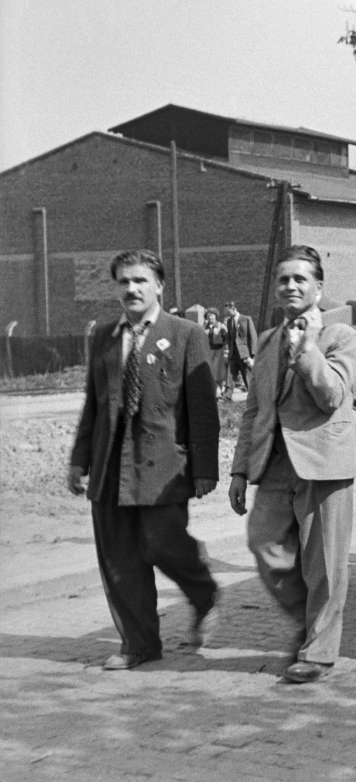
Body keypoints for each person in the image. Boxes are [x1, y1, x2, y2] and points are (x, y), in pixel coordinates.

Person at [67, 249, 220, 671]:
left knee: (161, 543)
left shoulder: (185, 333)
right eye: (123, 282)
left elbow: (203, 409)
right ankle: (140, 644)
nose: (131, 289)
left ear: (159, 286)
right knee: (119, 558)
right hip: (110, 466)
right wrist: (79, 460)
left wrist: (205, 467)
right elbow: (92, 405)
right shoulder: (103, 336)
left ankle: (202, 591)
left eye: (140, 281)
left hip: (163, 466)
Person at [228, 245, 356, 684]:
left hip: (323, 460)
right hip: (275, 462)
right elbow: (254, 411)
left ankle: (320, 652)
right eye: (283, 279)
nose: (290, 286)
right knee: (265, 544)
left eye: (300, 279)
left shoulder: (341, 337)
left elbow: (332, 396)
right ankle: (315, 621)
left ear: (318, 288)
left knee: (323, 563)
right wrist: (239, 471)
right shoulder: (266, 342)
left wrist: (306, 348)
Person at [224, 301, 257, 398]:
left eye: (229, 312)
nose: (228, 314)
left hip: (244, 353)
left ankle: (253, 396)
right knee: (230, 373)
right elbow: (230, 338)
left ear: (234, 308)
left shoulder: (246, 319)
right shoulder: (229, 322)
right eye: (227, 313)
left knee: (246, 374)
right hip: (233, 353)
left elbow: (253, 336)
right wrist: (228, 350)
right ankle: (227, 395)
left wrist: (253, 354)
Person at [203, 309, 228, 398]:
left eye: (212, 315)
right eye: (208, 316)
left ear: (216, 316)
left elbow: (226, 337)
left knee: (218, 370)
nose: (210, 317)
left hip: (218, 350)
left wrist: (223, 347)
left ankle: (219, 390)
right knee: (210, 369)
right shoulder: (204, 327)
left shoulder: (221, 326)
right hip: (208, 351)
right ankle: (213, 390)